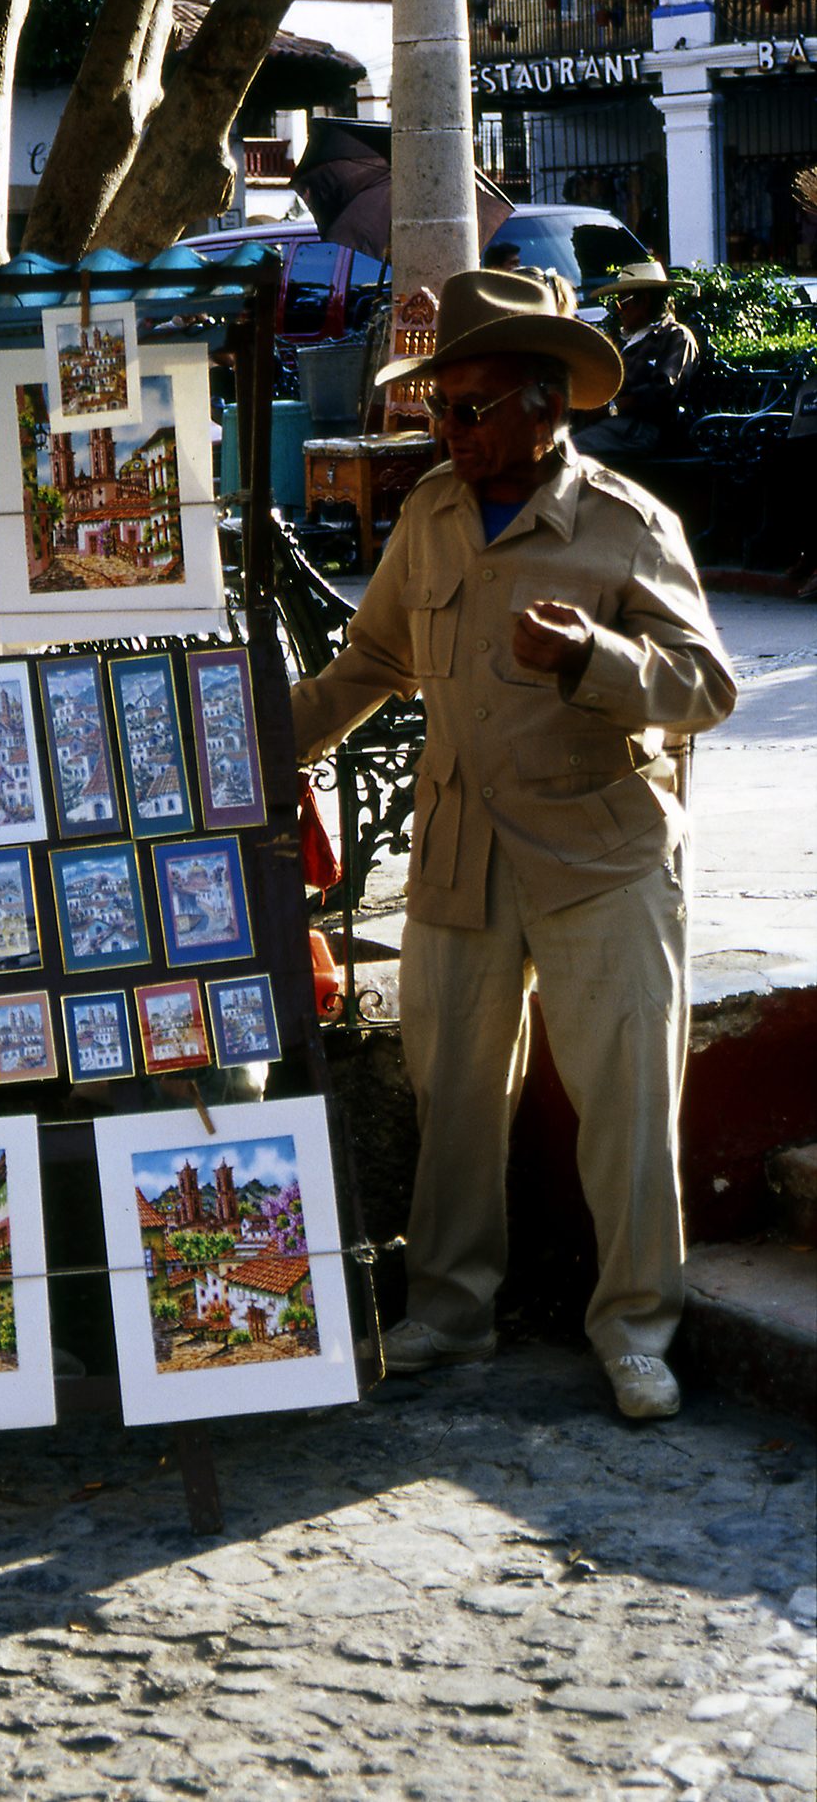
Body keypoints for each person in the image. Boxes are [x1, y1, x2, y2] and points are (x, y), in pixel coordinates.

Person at [289, 268, 737, 1419]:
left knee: (628, 1103)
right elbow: (371, 664)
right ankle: (450, 1312)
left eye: (472, 407)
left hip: (602, 858)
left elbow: (708, 687)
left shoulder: (629, 526)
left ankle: (637, 1329)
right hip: (460, 853)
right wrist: (248, 759)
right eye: (441, 407)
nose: (449, 429)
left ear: (551, 406)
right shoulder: (434, 511)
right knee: (452, 1099)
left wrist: (595, 657)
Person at [575, 262, 699, 458]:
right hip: (605, 424)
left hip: (642, 429)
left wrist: (611, 409)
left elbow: (663, 389)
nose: (618, 311)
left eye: (621, 303)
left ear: (644, 301)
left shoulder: (675, 336)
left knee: (564, 451)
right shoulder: (619, 338)